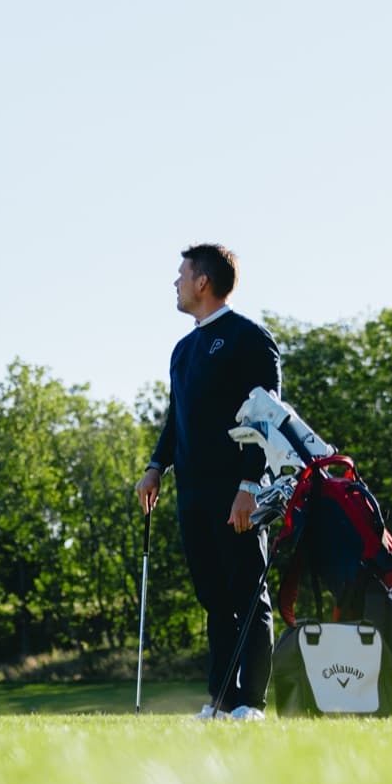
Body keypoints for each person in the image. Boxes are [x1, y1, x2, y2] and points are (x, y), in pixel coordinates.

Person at [134, 244, 282, 720]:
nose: (175, 283)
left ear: (203, 282)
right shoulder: (183, 350)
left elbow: (266, 418)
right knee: (215, 600)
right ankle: (220, 701)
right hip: (193, 493)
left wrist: (250, 486)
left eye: (182, 274)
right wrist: (156, 466)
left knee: (247, 596)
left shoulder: (249, 338)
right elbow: (177, 419)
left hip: (237, 492)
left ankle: (252, 704)